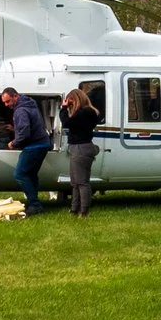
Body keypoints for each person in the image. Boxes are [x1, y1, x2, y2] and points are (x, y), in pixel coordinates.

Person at [2, 86, 51, 214]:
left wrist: (14, 143)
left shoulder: (20, 110)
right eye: (4, 103)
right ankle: (34, 202)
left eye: (8, 101)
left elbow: (24, 133)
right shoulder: (30, 104)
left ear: (15, 96)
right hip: (43, 143)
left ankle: (34, 204)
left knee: (20, 174)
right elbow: (31, 125)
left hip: (34, 146)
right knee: (31, 174)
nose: (6, 105)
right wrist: (14, 129)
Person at [62, 80, 103, 218]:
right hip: (83, 147)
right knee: (76, 182)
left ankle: (84, 211)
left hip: (80, 148)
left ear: (76, 100)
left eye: (71, 102)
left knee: (81, 182)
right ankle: (74, 209)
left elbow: (67, 123)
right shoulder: (91, 112)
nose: (70, 105)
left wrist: (63, 108)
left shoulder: (83, 113)